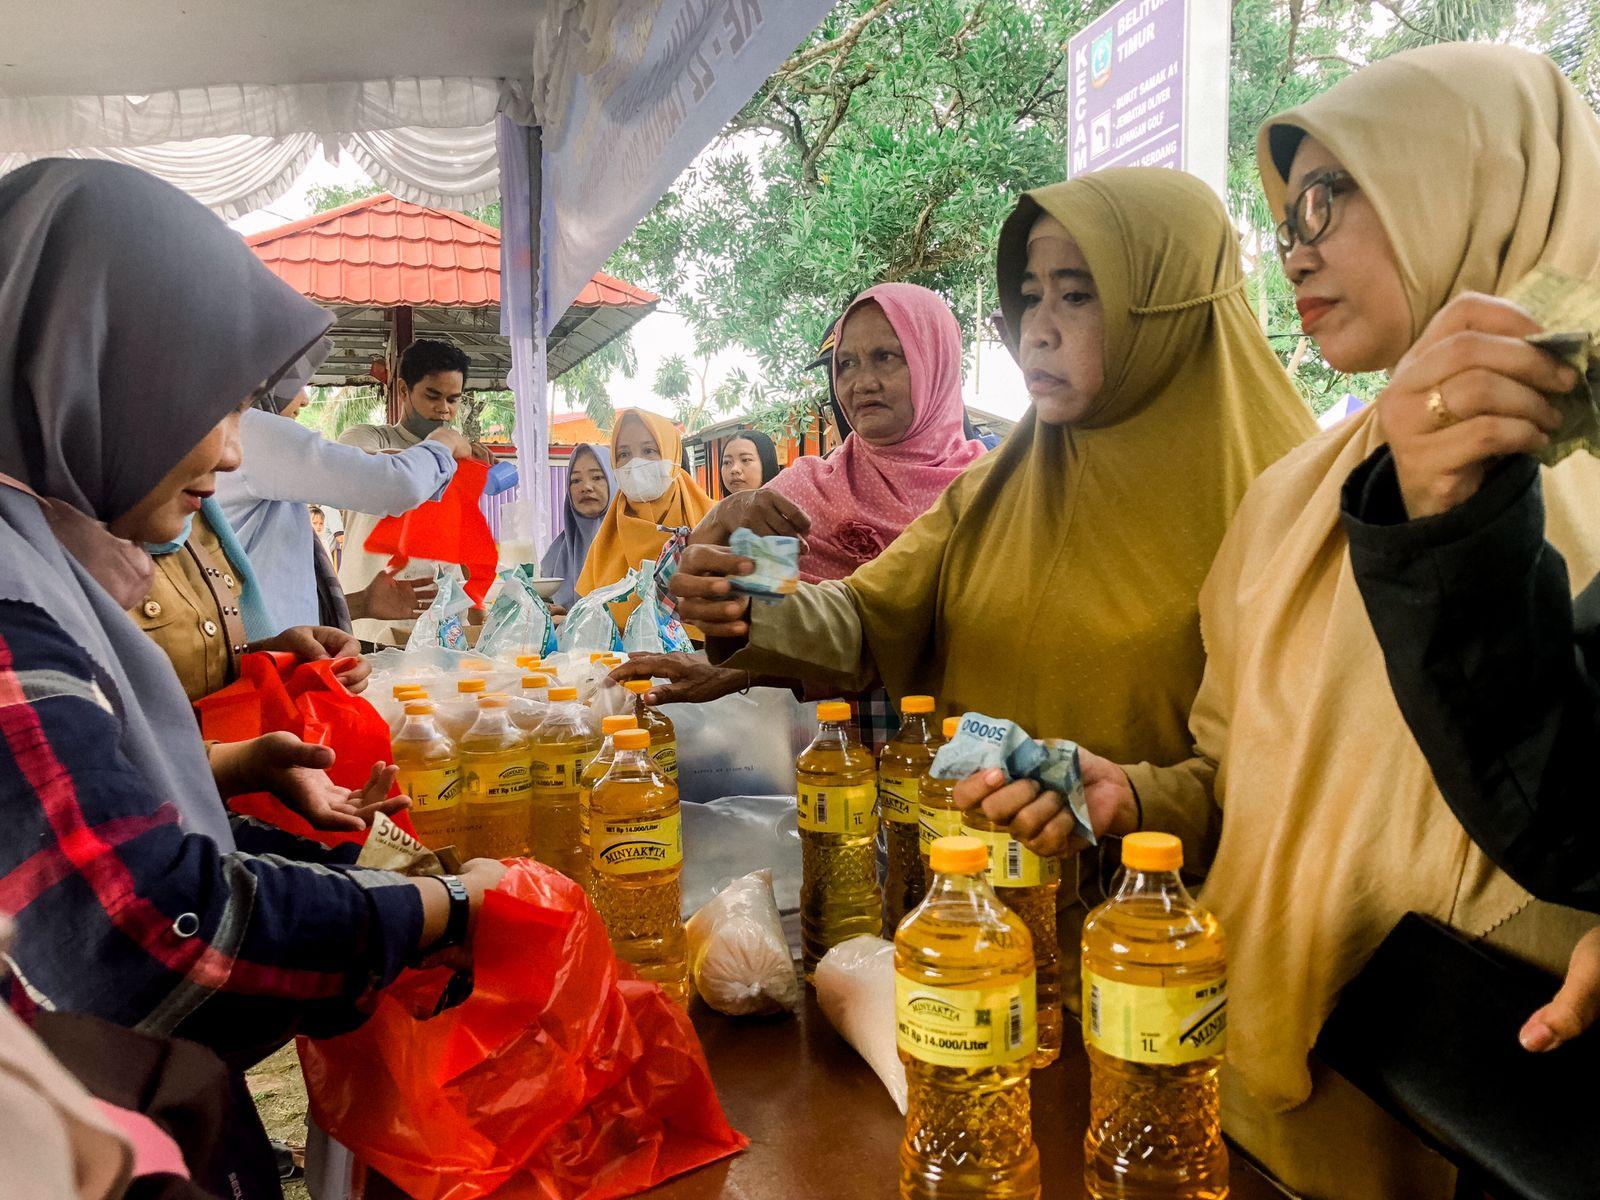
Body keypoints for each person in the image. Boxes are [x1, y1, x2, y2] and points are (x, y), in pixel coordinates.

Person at [957, 45, 1600, 1198]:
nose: (1296, 247)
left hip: (1474, 1134)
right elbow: (1233, 780)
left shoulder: (1588, 489)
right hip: (1240, 1111)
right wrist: (1132, 797)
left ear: (1471, 181)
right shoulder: (1292, 499)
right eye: (1286, 215)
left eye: (1331, 196)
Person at [0, 161, 506, 1176]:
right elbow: (147, 939)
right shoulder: (12, 606)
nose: (233, 455)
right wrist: (445, 910)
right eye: (214, 405)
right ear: (96, 370)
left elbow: (112, 830)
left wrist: (280, 822)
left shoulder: (49, 562)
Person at [667, 167, 1311, 851]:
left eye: (1076, 295)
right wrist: (742, 597)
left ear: (1166, 308)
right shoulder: (999, 482)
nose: (1037, 331)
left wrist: (1137, 797)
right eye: (1029, 298)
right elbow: (869, 613)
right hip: (970, 882)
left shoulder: (1293, 503)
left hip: (1155, 904)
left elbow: (1303, 777)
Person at [632, 283, 994, 752]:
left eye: (886, 357)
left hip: (967, 760)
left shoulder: (990, 491)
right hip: (837, 759)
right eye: (847, 364)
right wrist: (722, 519)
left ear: (935, 362)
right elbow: (753, 616)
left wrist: (741, 669)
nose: (861, 382)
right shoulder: (807, 492)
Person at [215, 342, 470, 632]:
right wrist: (444, 442)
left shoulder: (247, 437)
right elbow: (398, 483)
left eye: (453, 399)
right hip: (263, 648)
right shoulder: (255, 433)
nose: (305, 399)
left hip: (276, 642)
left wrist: (362, 603)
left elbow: (282, 599)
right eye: (294, 383)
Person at [336, 338, 490, 643]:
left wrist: (478, 612)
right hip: (373, 631)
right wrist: (445, 447)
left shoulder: (457, 459)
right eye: (433, 396)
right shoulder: (364, 438)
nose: (444, 410)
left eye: (453, 399)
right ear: (404, 390)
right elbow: (386, 473)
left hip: (443, 632)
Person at [575, 408, 713, 599]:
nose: (635, 463)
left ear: (672, 454)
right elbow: (589, 608)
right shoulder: (605, 542)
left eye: (648, 451)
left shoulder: (713, 521)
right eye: (623, 454)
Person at [540, 443, 614, 610]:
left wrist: (571, 619)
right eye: (575, 480)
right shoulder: (555, 556)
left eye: (597, 477)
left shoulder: (631, 546)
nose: (585, 487)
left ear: (614, 481)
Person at [719, 428, 781, 494]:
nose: (734, 469)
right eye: (727, 462)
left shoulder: (786, 500)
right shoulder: (718, 501)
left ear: (767, 464)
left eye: (745, 460)